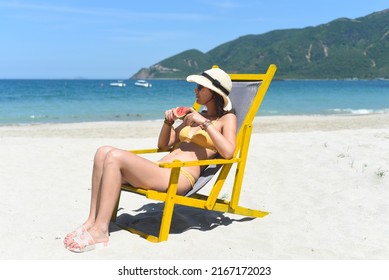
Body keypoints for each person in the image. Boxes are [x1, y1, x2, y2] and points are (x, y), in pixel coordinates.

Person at [64, 67, 237, 252]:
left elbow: (228, 152)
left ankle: (100, 231)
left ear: (214, 92)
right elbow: (164, 145)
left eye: (200, 88)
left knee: (114, 156)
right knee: (102, 151)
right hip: (160, 169)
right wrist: (168, 122)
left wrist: (205, 123)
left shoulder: (227, 119)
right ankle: (92, 220)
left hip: (179, 177)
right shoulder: (195, 115)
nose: (195, 91)